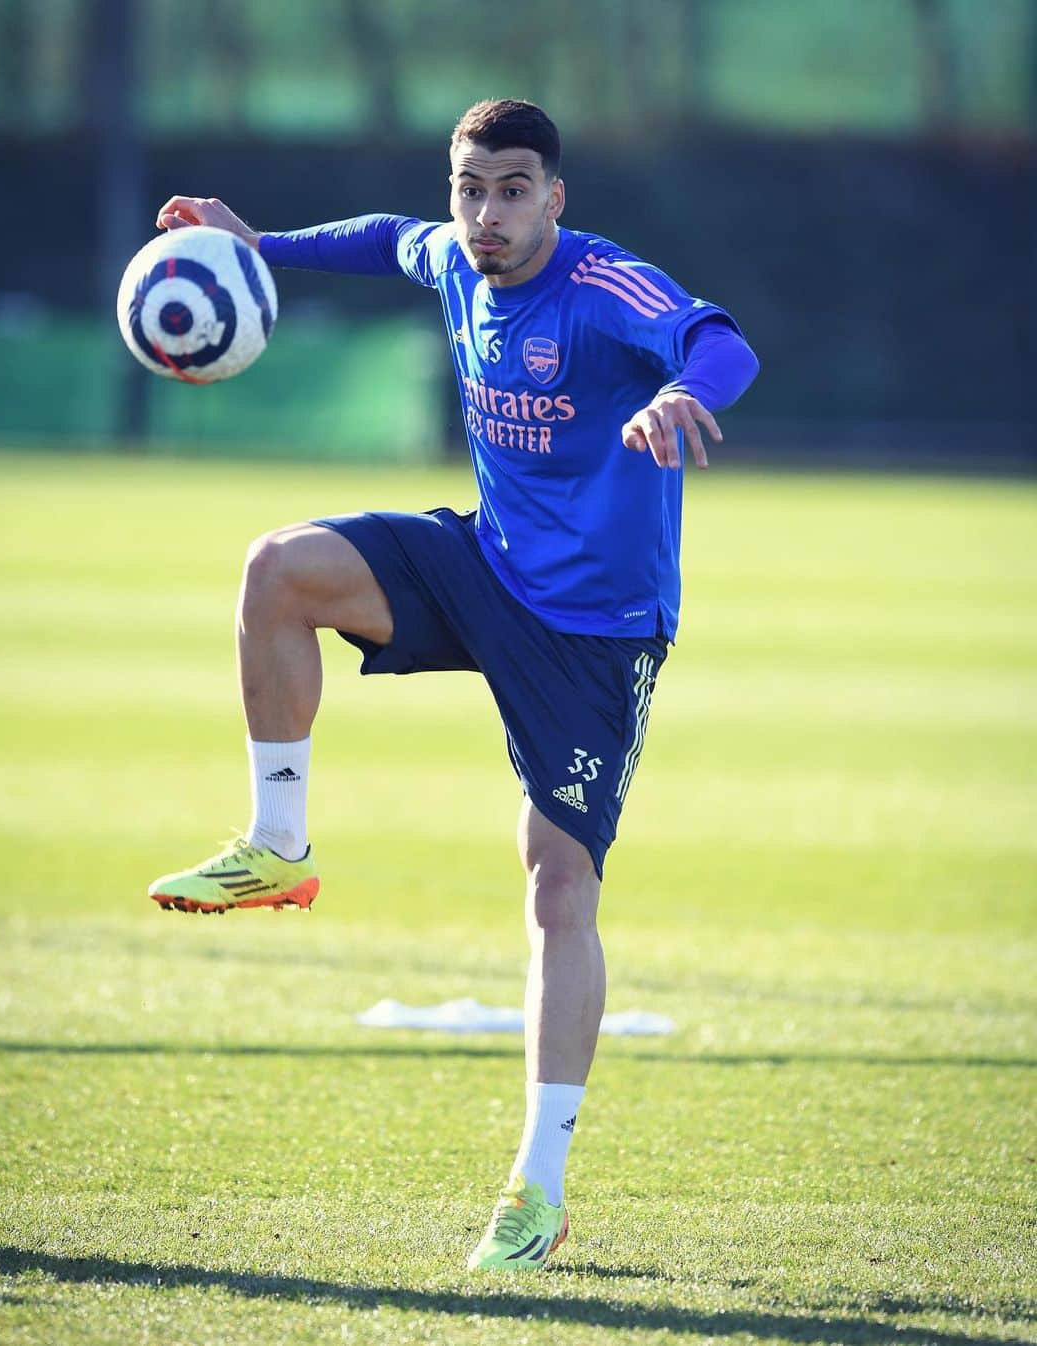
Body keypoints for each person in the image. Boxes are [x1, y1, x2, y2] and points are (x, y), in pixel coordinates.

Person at [148, 98, 759, 1271]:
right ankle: (279, 842)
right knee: (278, 570)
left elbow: (715, 337)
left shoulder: (600, 287)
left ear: (556, 197)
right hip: (484, 563)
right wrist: (256, 243)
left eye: (514, 188)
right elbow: (387, 236)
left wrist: (687, 394)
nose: (487, 214)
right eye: (471, 187)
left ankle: (539, 1187)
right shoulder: (451, 250)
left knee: (556, 884)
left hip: (596, 631)